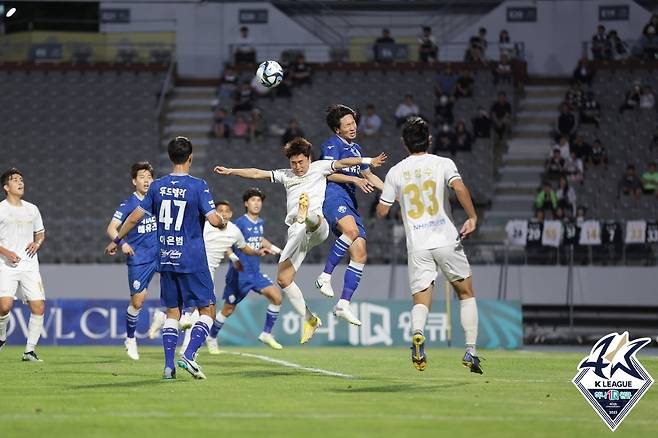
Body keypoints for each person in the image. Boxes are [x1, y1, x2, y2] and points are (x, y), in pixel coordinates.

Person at [213, 137, 386, 343]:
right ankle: (310, 319)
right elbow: (258, 173)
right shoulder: (286, 175)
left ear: (309, 158)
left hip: (317, 225)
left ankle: (306, 214)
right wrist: (232, 171)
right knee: (283, 280)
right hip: (297, 233)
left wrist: (367, 160)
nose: (297, 167)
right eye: (293, 163)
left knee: (309, 222)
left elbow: (345, 162)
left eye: (301, 162)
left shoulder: (320, 167)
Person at [105, 136, 224, 380]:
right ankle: (189, 355)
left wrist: (116, 239)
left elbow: (133, 218)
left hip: (167, 258)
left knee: (172, 313)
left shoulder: (157, 186)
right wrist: (222, 221)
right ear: (190, 158)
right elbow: (213, 220)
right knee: (207, 311)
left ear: (171, 158)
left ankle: (168, 367)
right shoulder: (198, 185)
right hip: (192, 258)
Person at [376, 117, 482, 374]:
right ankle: (470, 349)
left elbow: (381, 211)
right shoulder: (443, 163)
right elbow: (459, 188)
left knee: (421, 300)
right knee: (465, 293)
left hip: (418, 244)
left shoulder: (396, 172)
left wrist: (388, 194)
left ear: (403, 142)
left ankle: (418, 333)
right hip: (446, 238)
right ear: (430, 139)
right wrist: (472, 217)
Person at [315, 105, 386, 325]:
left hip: (351, 203)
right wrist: (354, 180)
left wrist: (393, 194)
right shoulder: (330, 145)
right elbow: (328, 174)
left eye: (353, 122)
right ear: (338, 129)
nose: (353, 126)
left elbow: (369, 176)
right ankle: (324, 276)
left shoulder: (356, 149)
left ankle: (343, 305)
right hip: (334, 198)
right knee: (351, 231)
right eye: (347, 124)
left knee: (361, 254)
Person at [206, 191, 284, 351]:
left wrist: (276, 249)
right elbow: (226, 239)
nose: (256, 203)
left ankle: (267, 333)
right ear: (246, 204)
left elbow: (260, 238)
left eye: (259, 200)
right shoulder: (240, 223)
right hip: (238, 274)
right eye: (253, 200)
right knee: (228, 309)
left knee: (276, 296)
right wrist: (233, 257)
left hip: (255, 272)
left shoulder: (260, 222)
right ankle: (212, 336)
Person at [106, 162, 158, 361]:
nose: (146, 180)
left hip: (160, 253)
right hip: (139, 258)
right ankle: (130, 339)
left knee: (181, 283)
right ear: (134, 181)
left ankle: (164, 317)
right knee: (138, 302)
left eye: (149, 177)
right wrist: (121, 243)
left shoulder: (157, 200)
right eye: (142, 177)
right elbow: (111, 228)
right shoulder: (128, 203)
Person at [0, 168, 46, 362]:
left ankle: (29, 351)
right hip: (5, 265)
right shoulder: (1, 208)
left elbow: (40, 233)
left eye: (21, 179)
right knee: (4, 307)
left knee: (39, 307)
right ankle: (1, 337)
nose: (20, 183)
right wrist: (6, 252)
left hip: (29, 265)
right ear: (6, 187)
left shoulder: (32, 209)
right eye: (15, 180)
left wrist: (37, 243)